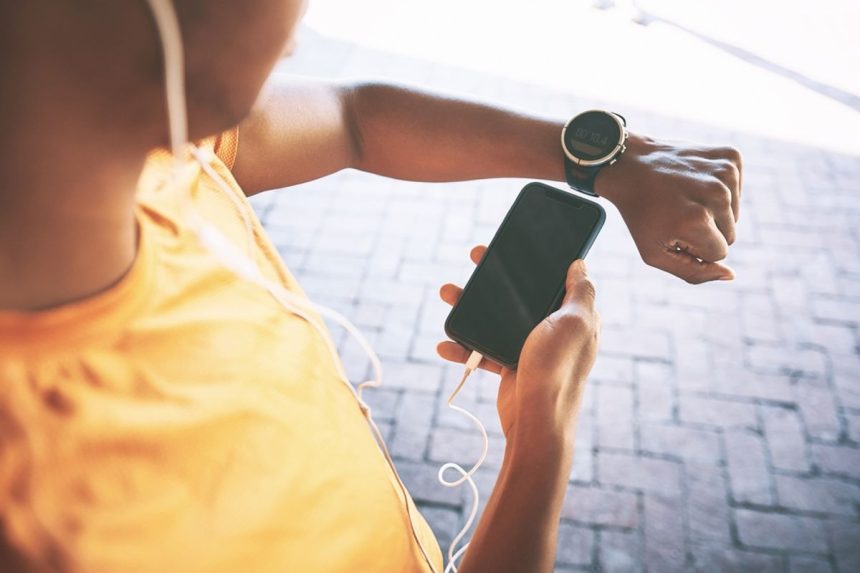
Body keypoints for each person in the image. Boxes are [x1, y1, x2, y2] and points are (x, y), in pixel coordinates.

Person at [0, 1, 742, 572]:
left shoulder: (156, 148)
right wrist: (543, 432)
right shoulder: (46, 508)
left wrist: (613, 162)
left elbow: (356, 119)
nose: (303, 18)